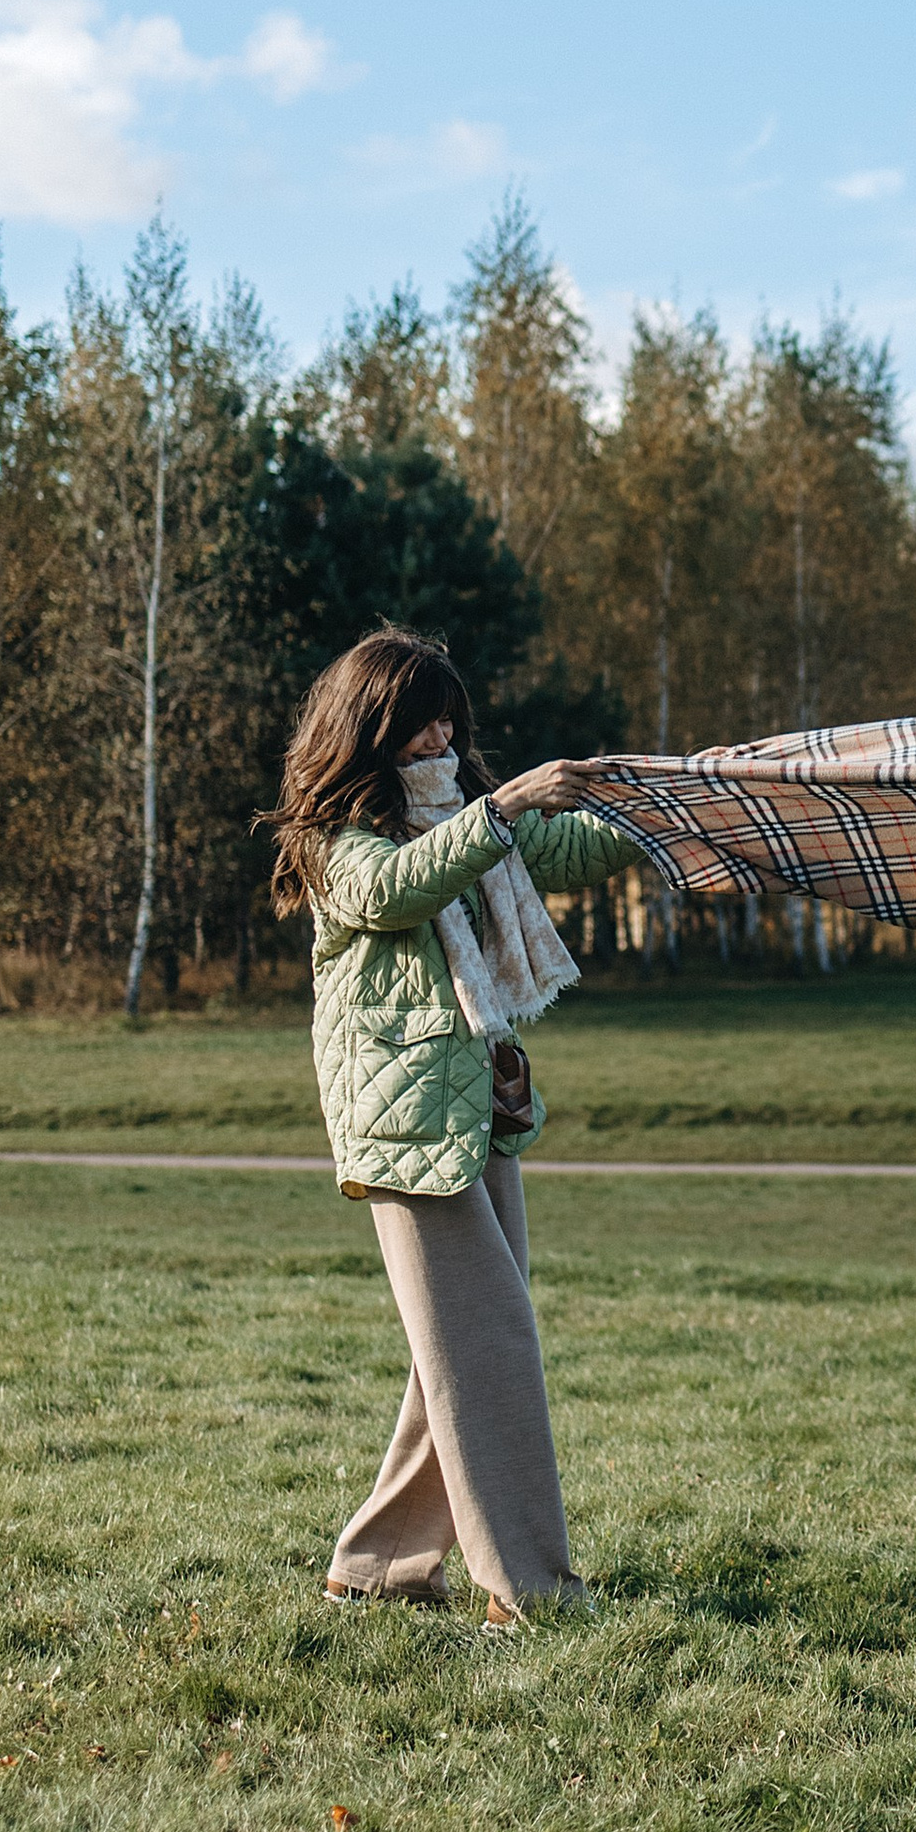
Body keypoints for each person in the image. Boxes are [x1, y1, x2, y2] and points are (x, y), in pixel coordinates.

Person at [267, 628, 639, 1627]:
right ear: (369, 724)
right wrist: (505, 804)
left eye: (449, 716)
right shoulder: (336, 838)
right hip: (403, 1128)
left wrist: (660, 806)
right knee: (490, 1346)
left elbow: (572, 846)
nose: (439, 731)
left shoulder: (464, 818)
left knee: (461, 1354)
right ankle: (529, 1591)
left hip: (476, 1109)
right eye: (420, 715)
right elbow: (396, 888)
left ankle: (377, 1564)